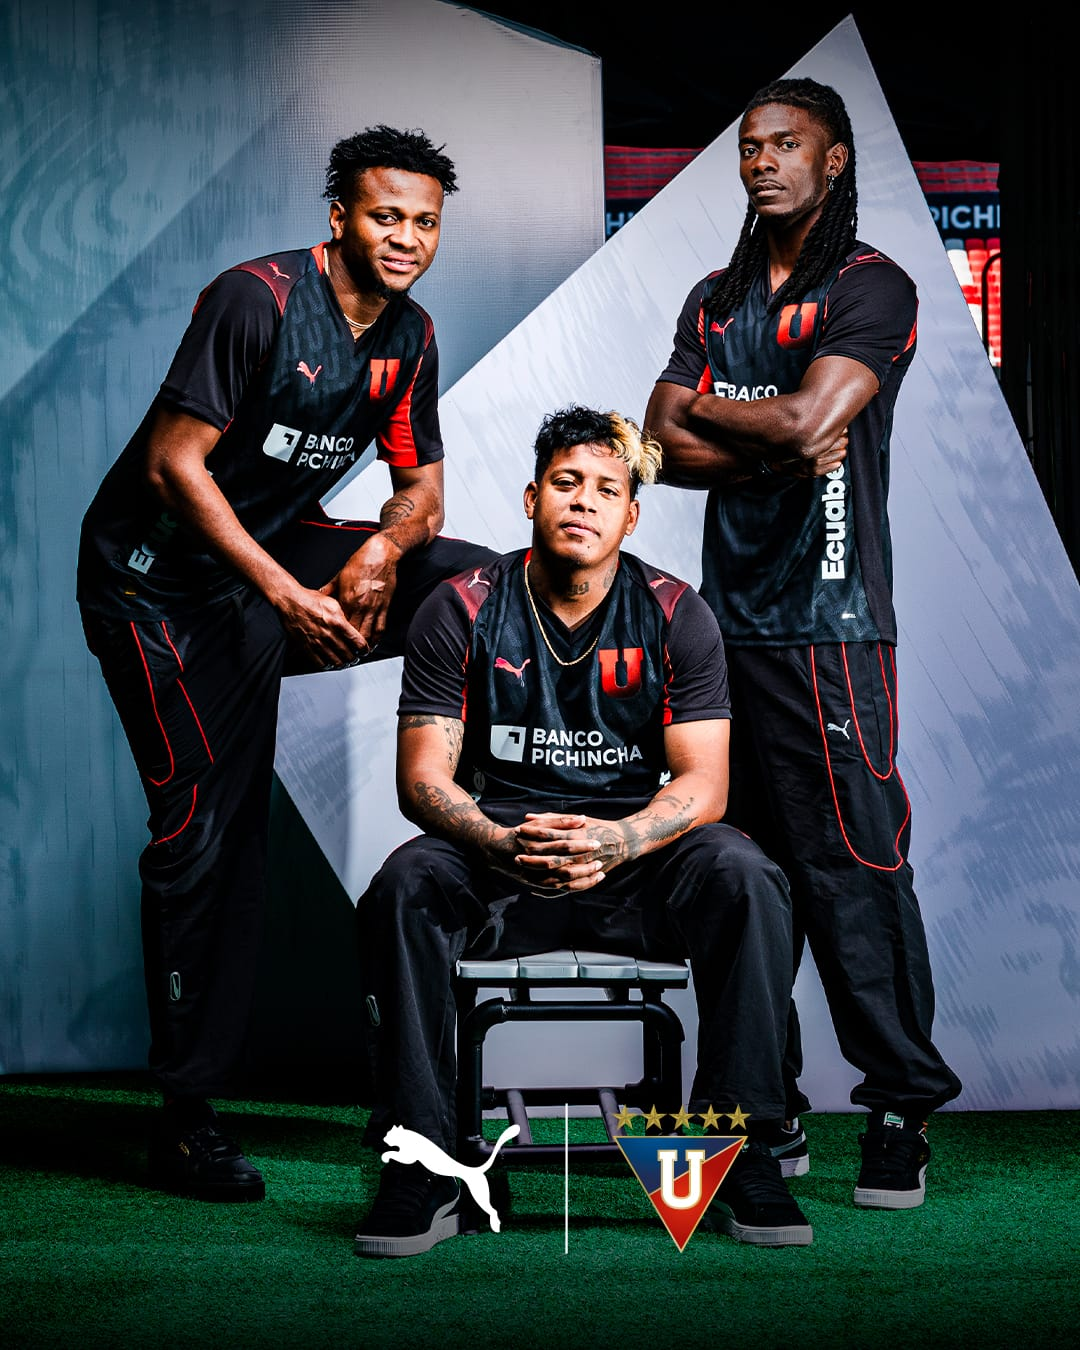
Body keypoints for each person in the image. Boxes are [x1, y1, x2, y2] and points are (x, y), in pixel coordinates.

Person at [76, 124, 496, 1202]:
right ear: (339, 218)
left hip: (271, 564)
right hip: (155, 588)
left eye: (425, 223)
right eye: (386, 216)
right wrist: (283, 597)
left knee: (473, 581)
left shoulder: (410, 334)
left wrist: (381, 551)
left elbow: (422, 492)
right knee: (209, 837)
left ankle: (499, 814)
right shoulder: (255, 301)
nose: (406, 239)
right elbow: (173, 464)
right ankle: (186, 1118)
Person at [353, 405, 811, 1257]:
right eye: (566, 482)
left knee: (746, 875)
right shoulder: (462, 607)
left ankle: (734, 1148)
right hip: (500, 853)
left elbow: (704, 783)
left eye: (606, 489)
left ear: (630, 516)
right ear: (533, 497)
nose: (584, 502)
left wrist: (621, 840)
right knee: (406, 884)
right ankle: (424, 1157)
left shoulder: (675, 613)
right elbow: (422, 779)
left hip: (634, 859)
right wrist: (499, 843)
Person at [643, 77, 962, 1209]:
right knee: (744, 876)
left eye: (786, 144)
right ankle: (763, 1112)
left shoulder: (872, 285)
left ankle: (899, 1108)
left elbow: (812, 417)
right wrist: (770, 434)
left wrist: (730, 414)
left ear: (833, 162)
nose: (762, 162)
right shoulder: (715, 296)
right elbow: (656, 446)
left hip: (832, 625)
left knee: (852, 870)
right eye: (749, 146)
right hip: (722, 631)